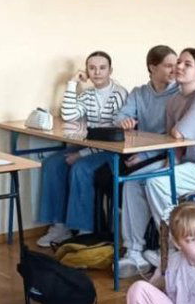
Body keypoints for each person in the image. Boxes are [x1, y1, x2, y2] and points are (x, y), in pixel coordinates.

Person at [118, 48, 195, 277]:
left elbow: (179, 133)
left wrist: (166, 168)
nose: (179, 67)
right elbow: (177, 145)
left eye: (187, 64)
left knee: (156, 183)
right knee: (134, 180)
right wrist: (167, 165)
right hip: (189, 164)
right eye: (179, 62)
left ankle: (173, 248)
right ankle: (134, 251)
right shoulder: (175, 100)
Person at [36, 51, 128, 246]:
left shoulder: (119, 94)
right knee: (52, 164)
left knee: (81, 168)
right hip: (92, 146)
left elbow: (114, 135)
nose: (97, 72)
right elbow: (69, 115)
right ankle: (60, 226)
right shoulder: (87, 95)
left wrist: (82, 154)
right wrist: (71, 83)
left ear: (110, 70)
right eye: (92, 68)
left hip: (112, 151)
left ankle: (85, 230)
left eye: (102, 68)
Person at [111, 45, 180, 270]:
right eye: (168, 65)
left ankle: (165, 247)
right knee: (128, 181)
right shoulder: (139, 92)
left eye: (176, 64)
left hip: (169, 155)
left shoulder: (179, 94)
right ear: (152, 67)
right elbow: (121, 115)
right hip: (144, 154)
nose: (174, 69)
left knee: (137, 180)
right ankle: (135, 251)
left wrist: (145, 155)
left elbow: (176, 137)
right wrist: (124, 121)